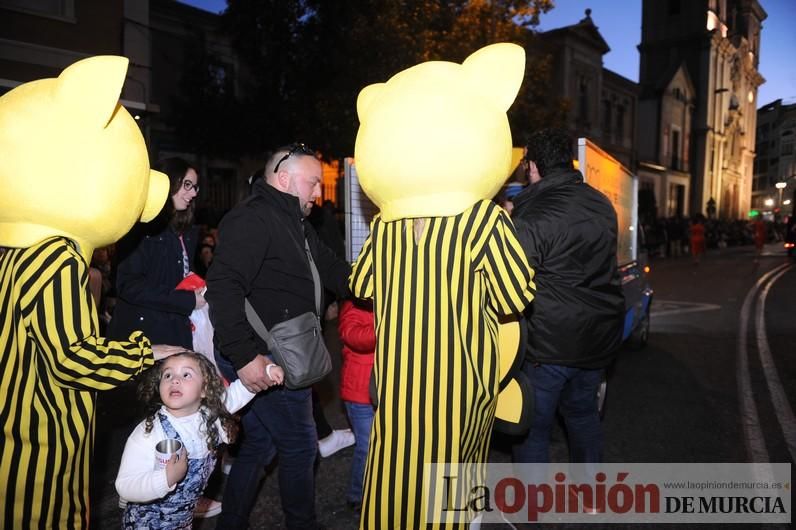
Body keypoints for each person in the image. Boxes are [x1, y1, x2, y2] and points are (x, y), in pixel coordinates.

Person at [206, 143, 351, 529]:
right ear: (284, 179)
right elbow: (222, 287)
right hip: (267, 357)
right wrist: (246, 358)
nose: (319, 194)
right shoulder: (252, 219)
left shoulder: (295, 222)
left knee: (261, 444)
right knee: (301, 445)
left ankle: (231, 522)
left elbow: (335, 270)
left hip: (280, 351)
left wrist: (380, 280)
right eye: (313, 183)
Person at [511, 128, 624, 470]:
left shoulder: (533, 215)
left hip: (550, 344)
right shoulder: (600, 203)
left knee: (532, 430)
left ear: (533, 167)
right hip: (597, 339)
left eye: (524, 161)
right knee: (583, 416)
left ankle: (530, 517)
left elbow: (512, 283)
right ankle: (590, 499)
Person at [116, 351, 284, 529]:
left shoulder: (209, 415)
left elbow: (237, 393)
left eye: (186, 374)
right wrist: (165, 478)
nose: (175, 380)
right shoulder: (148, 432)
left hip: (183, 521)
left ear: (205, 389)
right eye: (168, 375)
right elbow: (125, 485)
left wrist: (266, 372)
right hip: (147, 523)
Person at [337, 298, 376, 513]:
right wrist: (386, 325)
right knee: (367, 446)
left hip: (380, 390)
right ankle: (357, 494)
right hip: (360, 392)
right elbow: (354, 336)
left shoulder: (389, 301)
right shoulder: (354, 305)